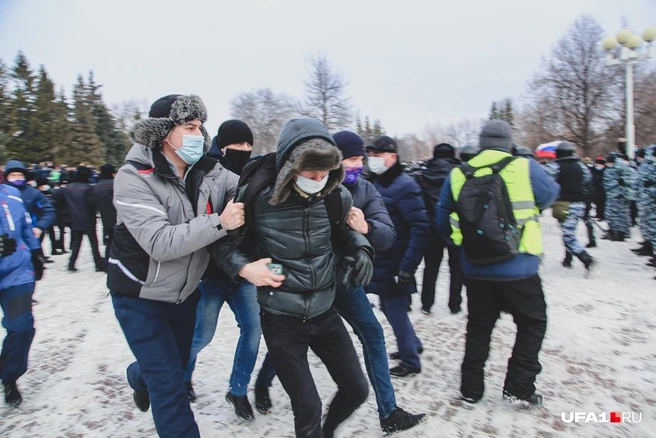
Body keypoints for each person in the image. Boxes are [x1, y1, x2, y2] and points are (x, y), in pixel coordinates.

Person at [253, 130, 425, 434]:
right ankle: (263, 384)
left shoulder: (365, 190)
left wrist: (365, 230)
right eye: (349, 159)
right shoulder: (297, 188)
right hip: (302, 286)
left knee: (373, 335)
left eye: (360, 159)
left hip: (344, 282)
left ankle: (388, 411)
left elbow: (386, 235)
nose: (355, 165)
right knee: (289, 340)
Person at [213, 118, 373, 438]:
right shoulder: (256, 196)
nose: (318, 179)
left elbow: (345, 233)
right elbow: (222, 245)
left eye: (324, 172)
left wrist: (363, 249)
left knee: (357, 390)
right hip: (281, 319)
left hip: (326, 312)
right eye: (309, 172)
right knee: (308, 407)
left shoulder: (334, 194)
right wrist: (246, 269)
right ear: (289, 166)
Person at [107, 94, 242, 438]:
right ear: (164, 133)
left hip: (184, 296)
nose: (199, 134)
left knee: (173, 369)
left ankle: (140, 374)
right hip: (139, 297)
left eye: (200, 126)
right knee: (170, 387)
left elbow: (249, 189)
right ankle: (153, 377)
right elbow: (161, 243)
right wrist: (219, 222)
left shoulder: (210, 172)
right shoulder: (133, 176)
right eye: (190, 127)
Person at [436, 120, 559, 408]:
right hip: (520, 267)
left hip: (476, 267)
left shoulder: (457, 173)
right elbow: (551, 194)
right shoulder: (525, 167)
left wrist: (464, 246)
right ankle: (519, 385)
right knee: (532, 323)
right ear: (508, 143)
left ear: (481, 143)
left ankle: (470, 388)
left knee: (479, 326)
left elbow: (442, 221)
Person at [183, 120, 262, 421]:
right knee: (201, 335)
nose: (244, 150)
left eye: (248, 145)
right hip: (211, 272)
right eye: (238, 144)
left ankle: (238, 390)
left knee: (253, 333)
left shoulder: (252, 173)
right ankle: (183, 376)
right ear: (222, 144)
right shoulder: (206, 172)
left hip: (245, 272)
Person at [365, 135, 430, 378]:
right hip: (381, 260)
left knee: (395, 309)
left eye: (378, 155)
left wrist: (407, 266)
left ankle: (411, 361)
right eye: (370, 155)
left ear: (392, 157)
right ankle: (412, 345)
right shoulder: (377, 183)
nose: (373, 160)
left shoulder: (405, 186)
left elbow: (421, 227)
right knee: (390, 307)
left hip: (396, 262)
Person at [0, 183, 45, 408]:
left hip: (16, 274)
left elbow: (26, 226)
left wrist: (36, 253)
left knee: (21, 327)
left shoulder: (12, 194)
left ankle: (9, 376)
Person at [415, 143, 464, 315]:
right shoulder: (461, 174)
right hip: (456, 226)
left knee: (431, 267)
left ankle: (427, 304)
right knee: (456, 268)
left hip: (431, 228)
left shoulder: (423, 176)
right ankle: (455, 304)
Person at [545, 141, 594, 271]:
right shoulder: (581, 166)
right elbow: (587, 182)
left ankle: (586, 259)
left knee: (568, 236)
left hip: (564, 204)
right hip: (580, 204)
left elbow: (546, 181)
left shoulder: (555, 166)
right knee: (570, 232)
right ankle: (568, 259)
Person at [3, 160, 56, 254]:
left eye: (20, 175)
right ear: (7, 176)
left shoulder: (33, 193)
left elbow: (49, 210)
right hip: (6, 237)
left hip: (29, 236)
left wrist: (40, 227)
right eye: (13, 175)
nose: (17, 178)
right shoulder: (2, 193)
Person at [62, 166, 104, 272]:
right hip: (88, 217)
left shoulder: (68, 188)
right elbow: (92, 202)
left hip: (74, 217)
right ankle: (98, 263)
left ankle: (71, 264)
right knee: (94, 243)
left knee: (76, 243)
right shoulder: (88, 188)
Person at [603, 152, 637, 241]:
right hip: (612, 194)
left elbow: (631, 180)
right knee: (612, 215)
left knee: (621, 216)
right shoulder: (611, 168)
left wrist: (623, 182)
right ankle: (614, 232)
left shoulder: (622, 167)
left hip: (619, 195)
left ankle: (621, 234)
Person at [634, 145, 656, 264]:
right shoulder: (647, 166)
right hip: (647, 201)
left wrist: (651, 188)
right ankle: (649, 247)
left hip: (652, 201)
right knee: (648, 226)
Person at [92, 164, 117, 268]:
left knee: (110, 242)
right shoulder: (115, 184)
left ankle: (107, 263)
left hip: (105, 218)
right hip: (119, 217)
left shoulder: (97, 186)